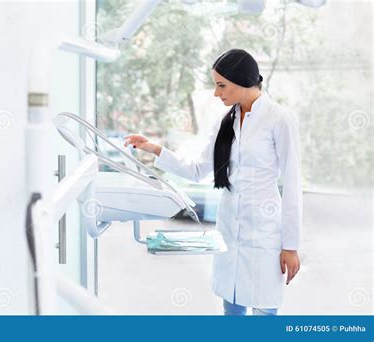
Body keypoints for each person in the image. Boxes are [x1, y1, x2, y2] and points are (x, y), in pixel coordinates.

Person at [124, 49, 302, 315]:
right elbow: (197, 170)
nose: (217, 93)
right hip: (229, 229)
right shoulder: (225, 122)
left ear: (241, 80)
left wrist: (291, 246)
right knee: (231, 310)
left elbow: (292, 184)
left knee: (264, 312)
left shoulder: (279, 119)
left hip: (265, 233)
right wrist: (155, 149)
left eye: (221, 85)